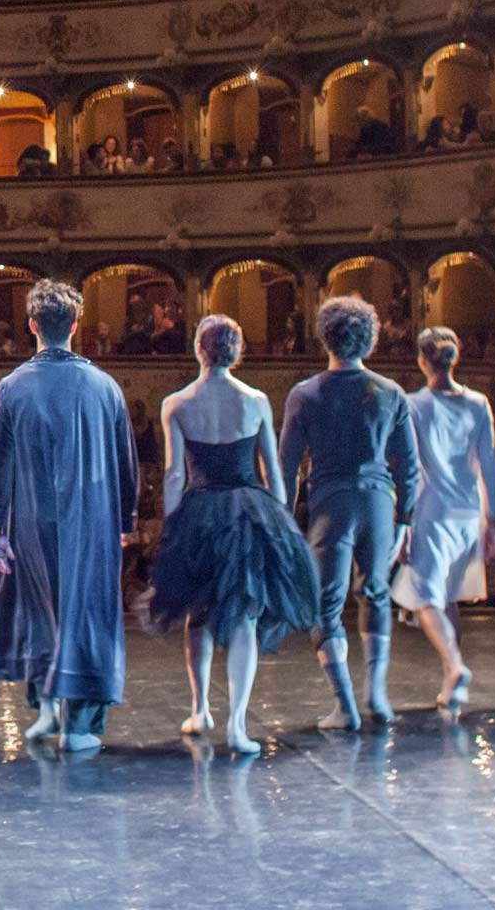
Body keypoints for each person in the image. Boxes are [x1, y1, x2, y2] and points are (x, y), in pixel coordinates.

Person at [143, 316, 321, 754]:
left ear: (198, 349)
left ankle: (200, 707)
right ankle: (237, 726)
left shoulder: (176, 403)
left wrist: (172, 526)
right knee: (245, 615)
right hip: (247, 514)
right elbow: (273, 472)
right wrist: (280, 524)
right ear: (236, 351)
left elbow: (172, 475)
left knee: (198, 613)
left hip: (201, 512)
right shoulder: (256, 400)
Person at [0, 280, 138, 752]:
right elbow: (125, 461)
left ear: (32, 326)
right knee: (87, 615)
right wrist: (127, 523)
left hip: (31, 519)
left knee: (41, 611)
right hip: (92, 521)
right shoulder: (105, 387)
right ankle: (80, 725)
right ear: (76, 325)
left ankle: (50, 708)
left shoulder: (10, 387)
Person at [279, 296, 418, 729]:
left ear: (325, 337)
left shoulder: (304, 395)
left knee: (326, 606)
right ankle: (375, 695)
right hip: (379, 503)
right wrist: (406, 520)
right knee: (376, 594)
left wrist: (284, 520)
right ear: (370, 340)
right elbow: (410, 466)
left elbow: (287, 470)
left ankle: (345, 705)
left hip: (330, 507)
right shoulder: (391, 393)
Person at [392, 327, 495, 712]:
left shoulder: (412, 404)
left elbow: (403, 467)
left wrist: (400, 519)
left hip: (431, 508)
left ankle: (454, 665)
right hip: (467, 510)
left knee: (424, 597)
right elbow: (488, 463)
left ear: (422, 360)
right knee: (446, 596)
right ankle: (452, 682)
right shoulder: (478, 403)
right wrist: (494, 518)